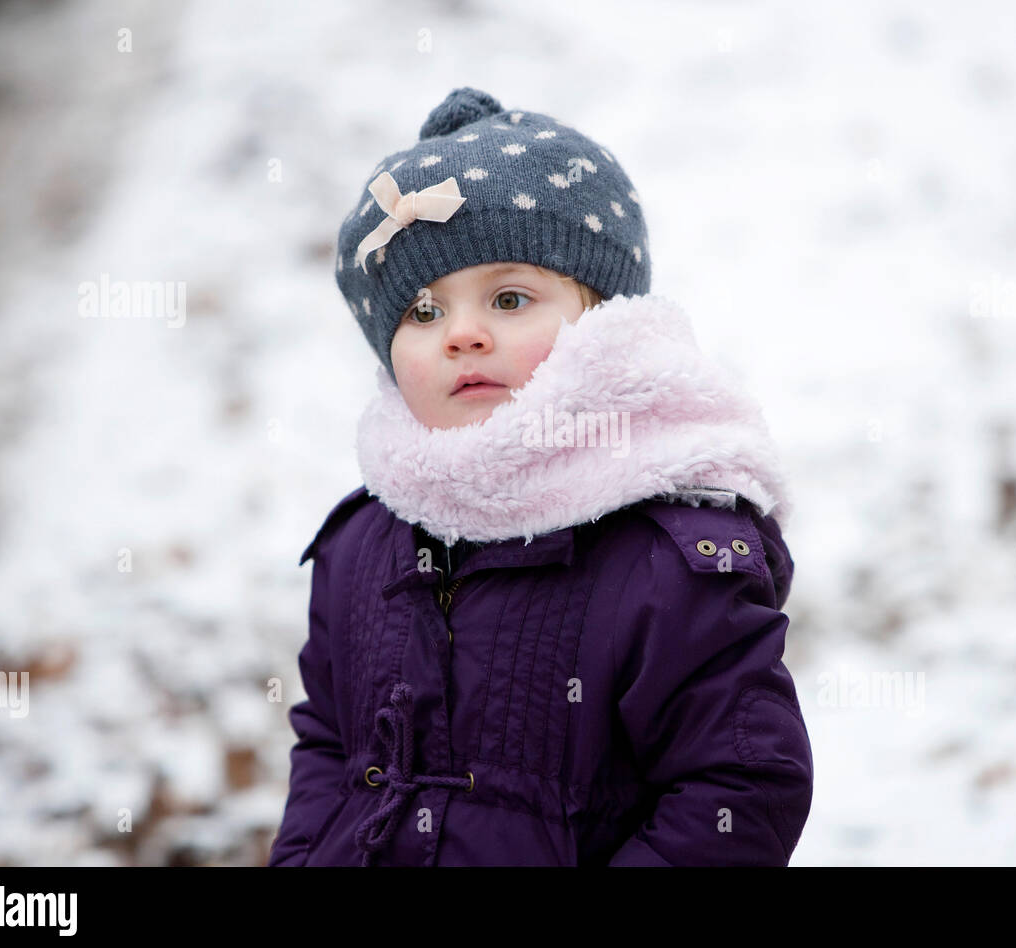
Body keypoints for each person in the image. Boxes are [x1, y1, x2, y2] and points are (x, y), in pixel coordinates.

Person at [267, 87, 812, 866]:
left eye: (510, 297)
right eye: (422, 313)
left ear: (604, 323)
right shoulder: (360, 545)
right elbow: (329, 743)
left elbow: (741, 780)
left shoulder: (667, 556)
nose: (462, 334)